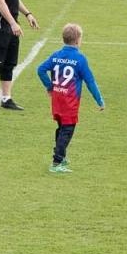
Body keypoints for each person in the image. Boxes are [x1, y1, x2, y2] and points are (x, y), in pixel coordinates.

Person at [37, 22, 104, 173]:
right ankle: (56, 162)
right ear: (77, 40)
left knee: (61, 127)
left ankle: (61, 156)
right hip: (70, 101)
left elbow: (40, 70)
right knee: (67, 130)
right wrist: (99, 100)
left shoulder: (56, 55)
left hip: (57, 98)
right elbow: (90, 82)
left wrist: (50, 86)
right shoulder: (80, 59)